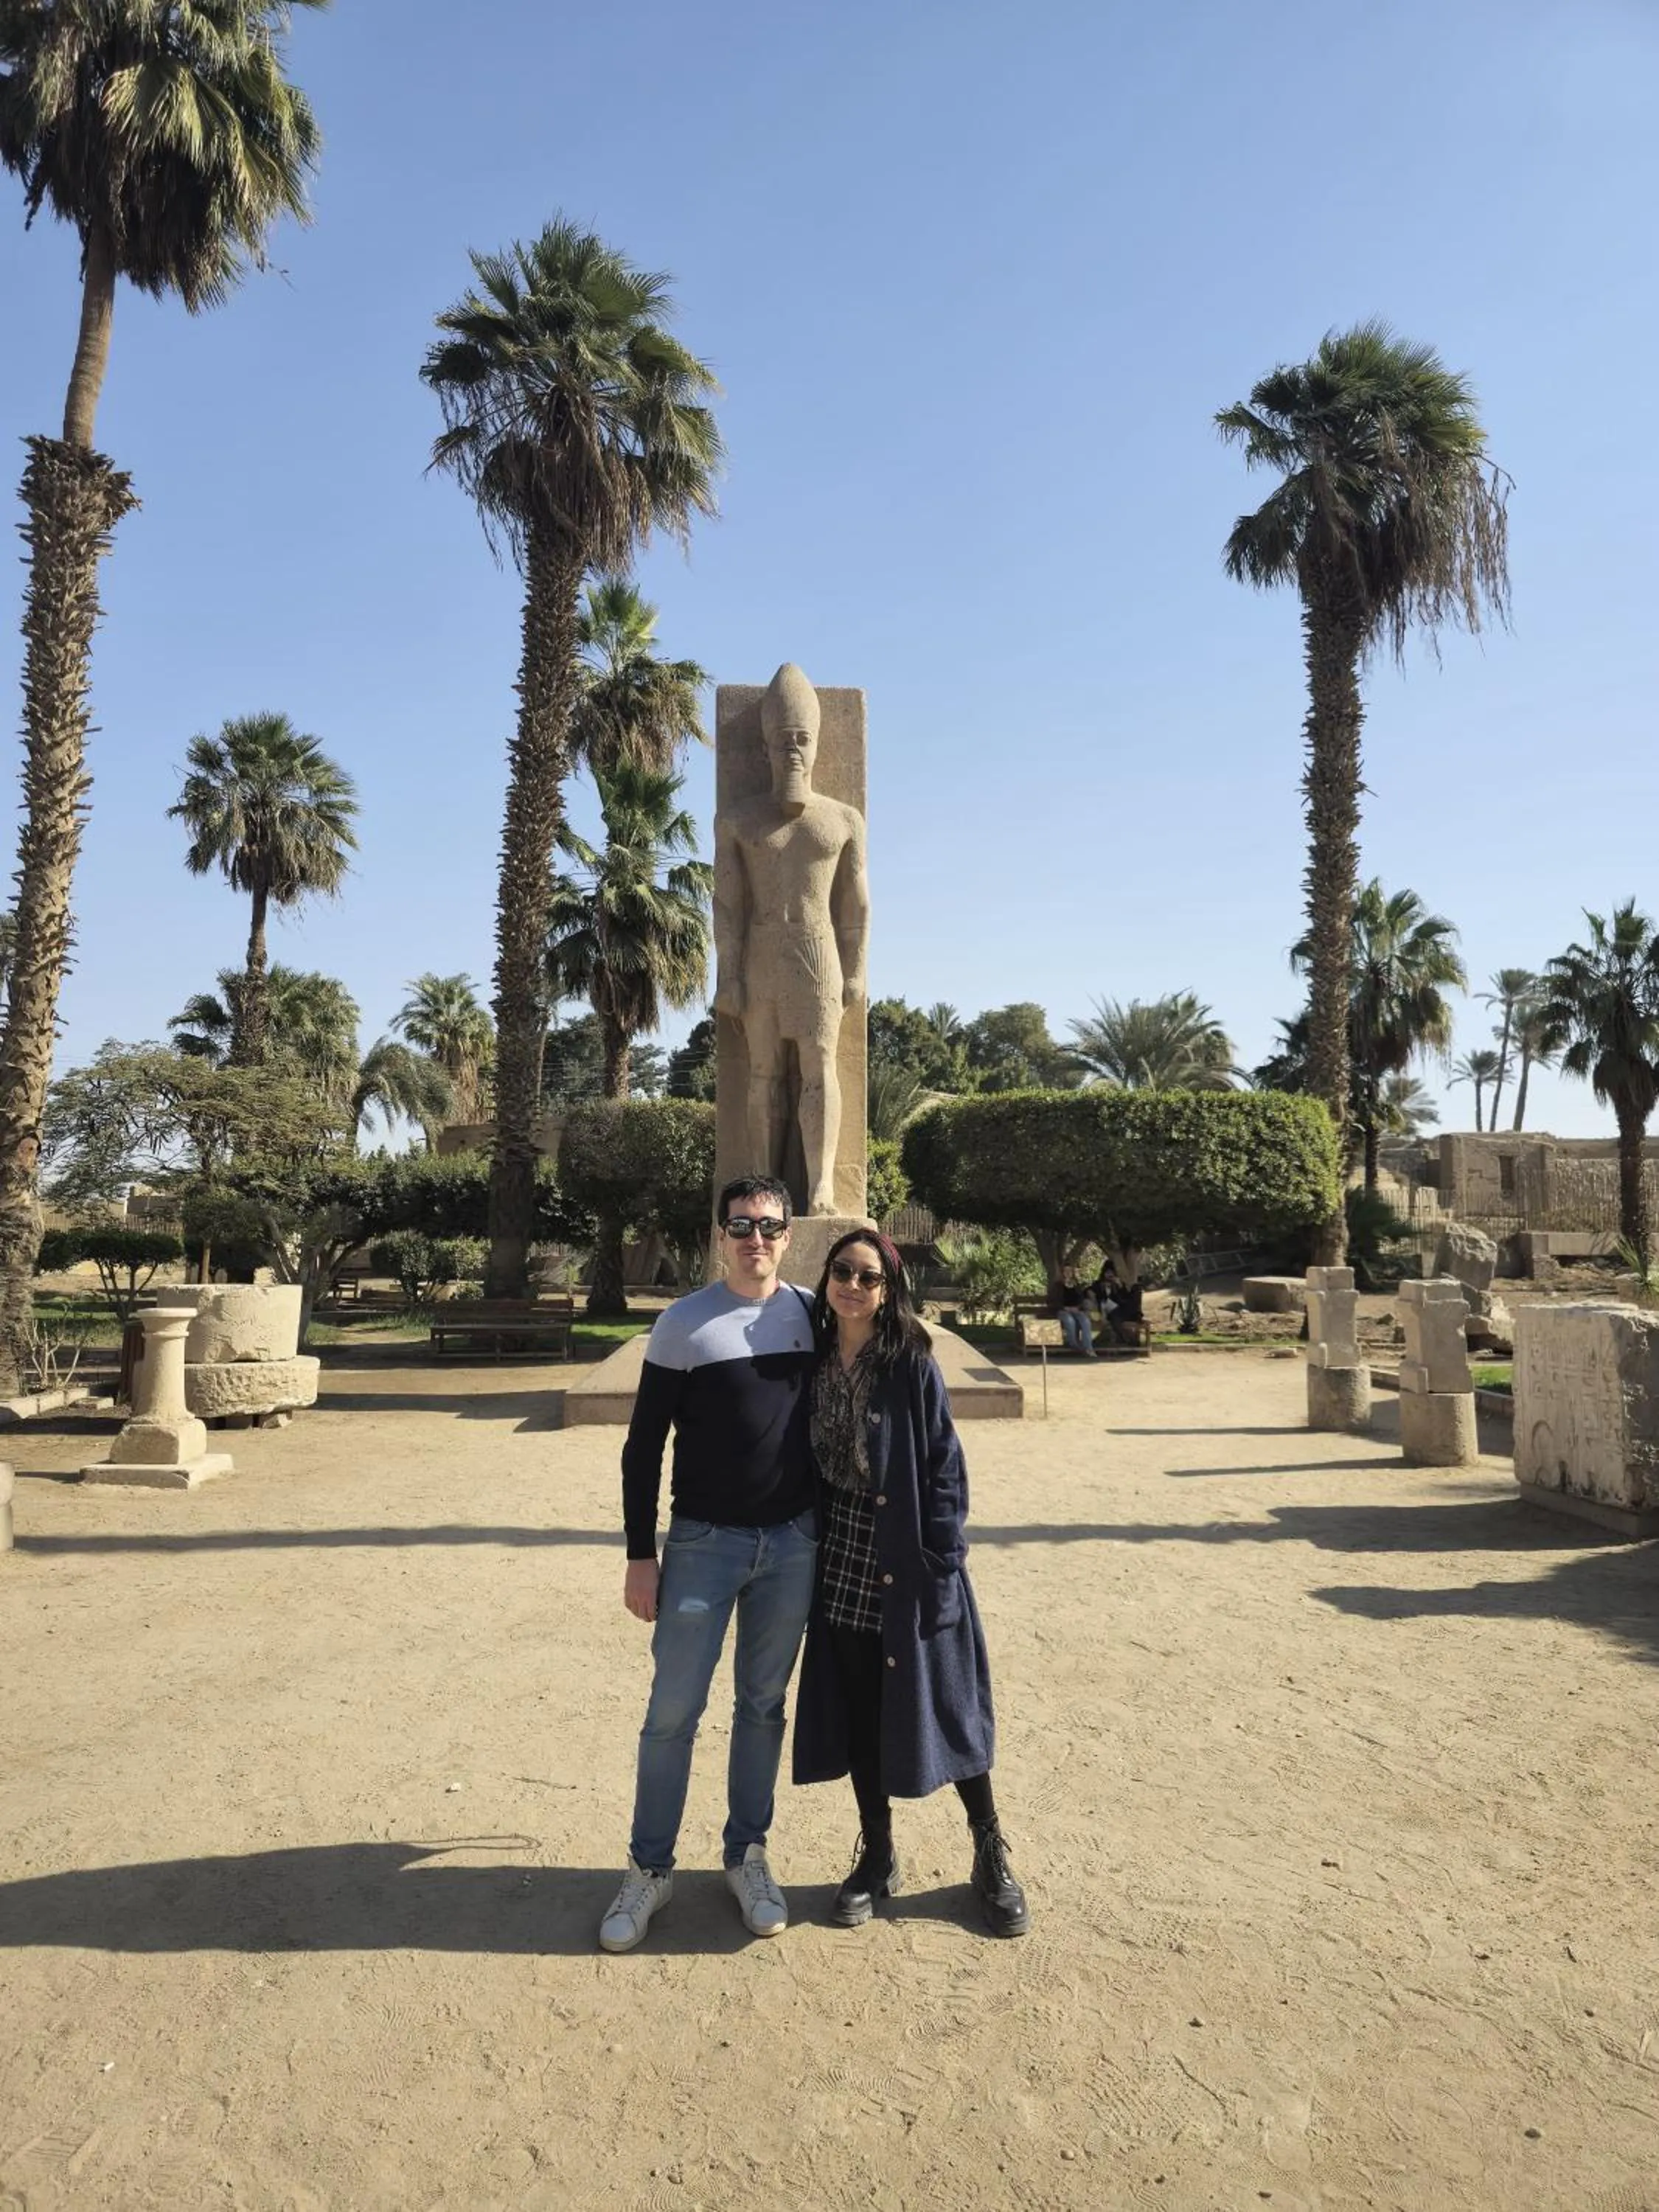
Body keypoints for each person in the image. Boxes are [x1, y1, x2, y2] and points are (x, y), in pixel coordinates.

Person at [597, 1175, 820, 1955]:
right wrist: (639, 1556)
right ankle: (650, 1868)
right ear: (719, 1237)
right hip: (702, 1544)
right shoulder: (683, 1326)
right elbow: (641, 1450)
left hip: (792, 1544)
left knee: (763, 1705)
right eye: (740, 1226)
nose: (755, 1239)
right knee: (673, 1713)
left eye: (768, 1226)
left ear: (788, 1235)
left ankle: (746, 1855)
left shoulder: (810, 1316)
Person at [792, 1230, 1031, 1938]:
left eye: (869, 1278)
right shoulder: (810, 1359)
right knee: (863, 1706)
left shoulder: (911, 1365)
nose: (853, 1287)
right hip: (841, 1552)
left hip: (910, 1553)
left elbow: (944, 1464)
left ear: (888, 1291)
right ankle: (879, 1855)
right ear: (827, 1279)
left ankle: (989, 1852)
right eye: (843, 1273)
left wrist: (943, 1555)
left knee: (952, 1706)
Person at [1046, 1276, 1097, 1358]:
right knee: (1070, 1321)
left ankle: (1088, 1348)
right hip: (1062, 1310)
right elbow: (1052, 1302)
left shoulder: (1076, 1286)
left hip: (1076, 1310)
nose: (1068, 1274)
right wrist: (1065, 1308)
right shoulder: (1057, 1286)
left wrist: (1078, 1307)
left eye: (1070, 1272)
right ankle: (1074, 1345)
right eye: (1066, 1272)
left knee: (1086, 1321)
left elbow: (1081, 1299)